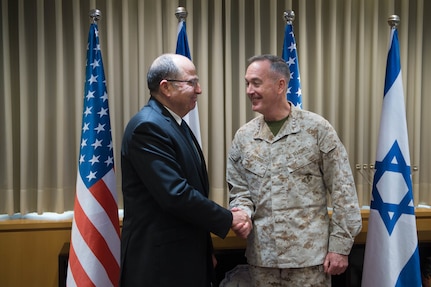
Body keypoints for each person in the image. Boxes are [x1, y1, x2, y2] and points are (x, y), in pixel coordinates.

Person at [227, 54, 362, 286]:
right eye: (247, 83)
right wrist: (243, 214)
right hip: (263, 260)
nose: (249, 90)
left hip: (309, 261)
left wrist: (340, 247)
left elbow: (343, 191)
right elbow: (240, 191)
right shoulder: (244, 137)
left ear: (280, 85)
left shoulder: (317, 129)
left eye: (256, 82)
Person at [120, 53, 251, 287]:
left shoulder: (174, 123)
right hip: (160, 265)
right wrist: (229, 218)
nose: (199, 89)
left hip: (184, 258)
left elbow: (195, 192)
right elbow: (175, 194)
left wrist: (204, 250)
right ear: (166, 87)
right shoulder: (148, 126)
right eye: (191, 82)